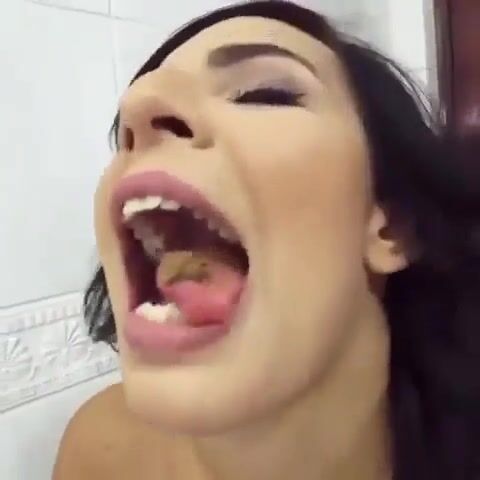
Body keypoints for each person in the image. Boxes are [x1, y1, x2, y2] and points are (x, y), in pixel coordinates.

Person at [53, 1, 480, 479]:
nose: (139, 102)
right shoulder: (99, 452)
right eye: (124, 135)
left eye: (262, 93)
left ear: (393, 228)